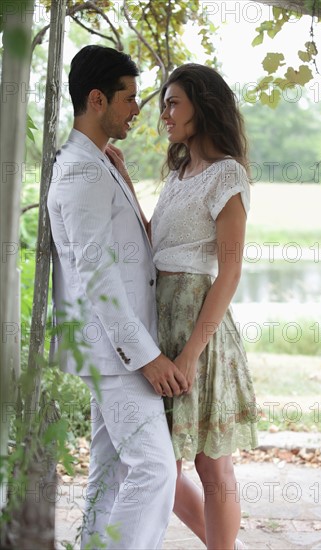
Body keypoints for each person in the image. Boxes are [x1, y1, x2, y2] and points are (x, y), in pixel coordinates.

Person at [47, 45, 187, 550]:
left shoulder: (96, 162)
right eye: (129, 98)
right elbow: (95, 272)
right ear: (97, 99)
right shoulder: (82, 170)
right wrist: (145, 357)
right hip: (116, 354)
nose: (137, 109)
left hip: (109, 349)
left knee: (108, 474)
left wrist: (123, 175)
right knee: (154, 471)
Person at [151, 63, 258, 550]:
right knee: (156, 463)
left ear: (203, 103)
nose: (165, 113)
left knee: (210, 461)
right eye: (164, 104)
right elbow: (153, 245)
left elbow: (230, 270)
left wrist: (193, 351)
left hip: (200, 330)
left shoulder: (226, 174)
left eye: (174, 102)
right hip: (159, 325)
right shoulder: (177, 174)